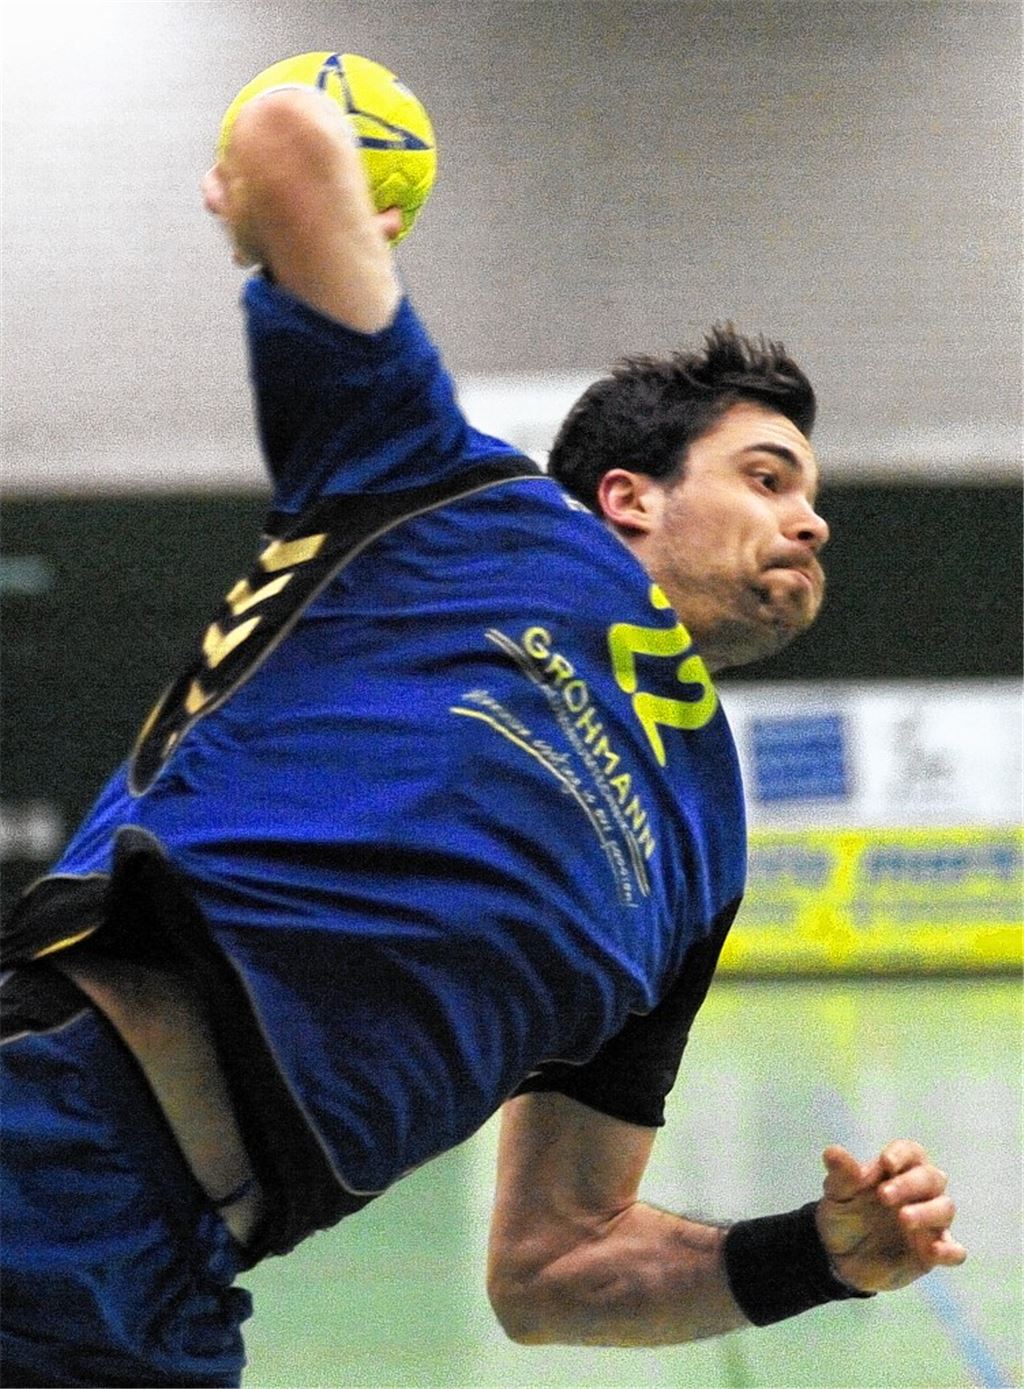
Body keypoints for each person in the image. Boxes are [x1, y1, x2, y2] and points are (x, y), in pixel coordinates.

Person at [0, 82, 965, 1387]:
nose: (812, 519)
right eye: (765, 474)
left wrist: (816, 1256)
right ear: (626, 496)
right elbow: (290, 133)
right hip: (43, 1105)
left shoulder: (707, 842)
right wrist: (285, 198)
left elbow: (553, 1264)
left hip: (169, 1287)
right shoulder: (458, 496)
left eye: (811, 492)